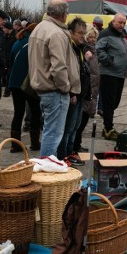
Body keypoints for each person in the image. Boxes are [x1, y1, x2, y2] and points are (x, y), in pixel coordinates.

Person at [28, 0, 79, 157]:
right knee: (53, 134)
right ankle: (47, 168)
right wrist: (65, 88)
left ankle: (47, 165)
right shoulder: (56, 33)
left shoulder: (40, 28)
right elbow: (59, 67)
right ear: (64, 14)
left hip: (43, 87)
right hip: (54, 90)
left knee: (50, 131)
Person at [57, 17, 89, 165]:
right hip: (73, 94)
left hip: (80, 93)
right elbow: (66, 71)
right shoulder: (68, 48)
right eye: (79, 33)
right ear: (71, 32)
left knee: (75, 126)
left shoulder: (80, 48)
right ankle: (63, 156)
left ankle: (70, 153)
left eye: (84, 33)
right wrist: (71, 93)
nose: (82, 36)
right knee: (68, 128)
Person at [8, 23, 41, 152]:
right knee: (35, 113)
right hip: (28, 83)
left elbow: (10, 61)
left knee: (18, 113)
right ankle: (34, 143)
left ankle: (15, 145)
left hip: (14, 83)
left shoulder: (18, 42)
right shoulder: (34, 44)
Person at [97, 13, 127, 140]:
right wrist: (109, 61)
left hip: (120, 74)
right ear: (113, 21)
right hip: (109, 73)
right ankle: (108, 128)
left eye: (124, 23)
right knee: (109, 102)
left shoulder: (121, 34)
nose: (122, 25)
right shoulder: (106, 33)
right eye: (120, 22)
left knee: (114, 102)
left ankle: (107, 126)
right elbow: (98, 50)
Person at [73, 26, 100, 153]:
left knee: (83, 120)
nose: (93, 39)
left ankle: (77, 143)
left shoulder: (93, 50)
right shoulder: (85, 50)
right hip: (86, 89)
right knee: (80, 120)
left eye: (94, 37)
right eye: (90, 36)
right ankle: (75, 145)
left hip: (91, 88)